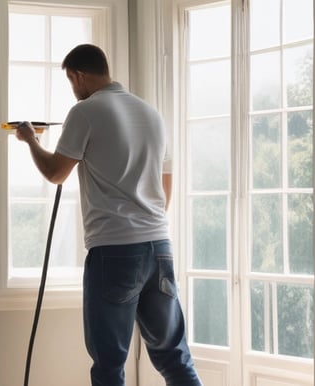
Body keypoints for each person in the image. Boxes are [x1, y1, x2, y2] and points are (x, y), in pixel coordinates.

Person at [14, 44, 202, 386]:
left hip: (114, 250)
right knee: (174, 356)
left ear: (79, 75)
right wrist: (146, 222)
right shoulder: (150, 113)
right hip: (159, 246)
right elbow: (166, 183)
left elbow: (56, 173)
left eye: (72, 81)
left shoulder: (86, 111)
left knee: (109, 364)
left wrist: (30, 140)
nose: (74, 89)